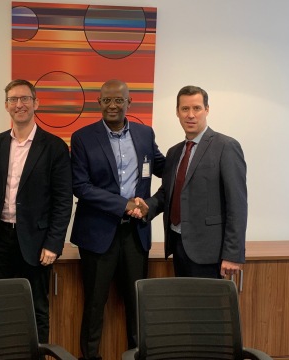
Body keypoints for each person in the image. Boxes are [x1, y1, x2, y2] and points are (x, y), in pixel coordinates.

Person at [0, 79, 73, 344]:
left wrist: (54, 243)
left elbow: (63, 200)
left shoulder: (54, 147)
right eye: (13, 100)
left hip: (36, 242)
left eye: (24, 99)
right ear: (6, 105)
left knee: (36, 308)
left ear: (35, 103)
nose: (19, 104)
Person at [70, 79, 165, 360]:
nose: (113, 105)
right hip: (98, 235)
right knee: (95, 305)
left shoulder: (145, 134)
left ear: (129, 103)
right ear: (99, 103)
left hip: (135, 234)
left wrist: (151, 204)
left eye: (119, 100)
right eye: (107, 100)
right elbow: (81, 186)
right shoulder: (83, 137)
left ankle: (137, 356)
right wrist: (124, 205)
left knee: (137, 305)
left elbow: (164, 169)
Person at [147, 85, 247, 278]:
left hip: (210, 253)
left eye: (197, 108)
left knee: (208, 308)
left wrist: (233, 254)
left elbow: (237, 204)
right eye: (185, 109)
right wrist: (146, 208)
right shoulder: (174, 152)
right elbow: (168, 192)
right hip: (178, 245)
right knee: (185, 306)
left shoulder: (226, 147)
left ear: (207, 110)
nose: (190, 115)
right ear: (177, 112)